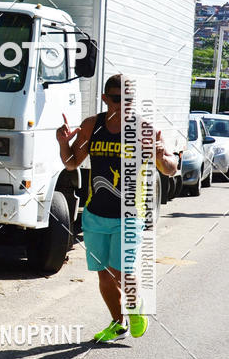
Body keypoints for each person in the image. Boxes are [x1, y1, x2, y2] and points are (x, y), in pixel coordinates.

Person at [56, 73, 178, 343]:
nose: (124, 104)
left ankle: (136, 306)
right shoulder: (92, 126)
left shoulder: (145, 130)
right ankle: (117, 323)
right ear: (105, 99)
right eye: (117, 99)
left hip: (129, 215)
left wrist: (161, 156)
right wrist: (63, 143)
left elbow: (171, 169)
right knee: (104, 275)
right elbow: (72, 163)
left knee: (120, 272)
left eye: (129, 99)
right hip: (95, 214)